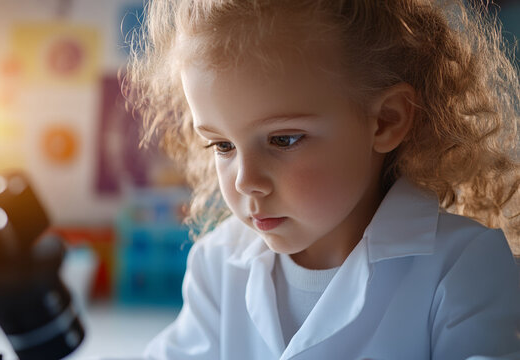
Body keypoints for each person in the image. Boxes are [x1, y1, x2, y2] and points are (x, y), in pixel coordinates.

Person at [119, 0, 520, 359]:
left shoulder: (462, 267)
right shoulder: (217, 264)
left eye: (283, 139)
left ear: (386, 120)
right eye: (222, 146)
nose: (245, 181)